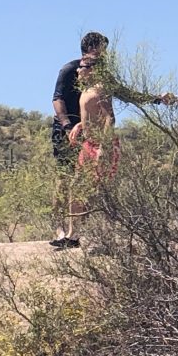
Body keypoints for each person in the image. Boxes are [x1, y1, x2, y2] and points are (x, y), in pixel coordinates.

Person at [53, 54, 120, 248]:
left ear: (93, 70)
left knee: (101, 191)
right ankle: (73, 237)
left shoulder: (100, 91)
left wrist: (104, 148)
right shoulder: (87, 91)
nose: (78, 70)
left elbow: (109, 119)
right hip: (88, 143)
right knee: (78, 188)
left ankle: (110, 236)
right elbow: (94, 116)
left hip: (101, 145)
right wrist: (81, 125)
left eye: (83, 67)